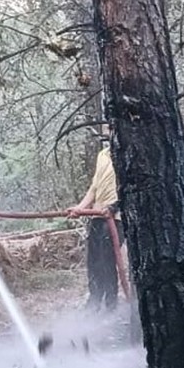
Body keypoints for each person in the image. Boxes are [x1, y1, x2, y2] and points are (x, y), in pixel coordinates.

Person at [67, 130, 123, 310]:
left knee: (107, 259)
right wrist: (80, 208)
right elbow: (94, 187)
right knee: (94, 260)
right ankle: (95, 300)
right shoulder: (102, 155)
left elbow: (130, 188)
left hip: (117, 219)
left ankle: (111, 303)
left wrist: (114, 207)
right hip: (97, 216)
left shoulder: (127, 155)